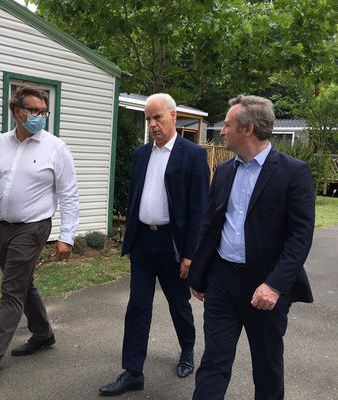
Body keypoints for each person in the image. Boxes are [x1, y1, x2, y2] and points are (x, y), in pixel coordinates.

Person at [188, 95, 315, 400]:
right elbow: (210, 225)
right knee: (214, 362)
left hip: (265, 287)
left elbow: (300, 237)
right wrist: (201, 274)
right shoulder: (224, 171)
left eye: (227, 125)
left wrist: (274, 285)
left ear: (247, 129)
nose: (221, 131)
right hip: (222, 281)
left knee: (266, 366)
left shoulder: (293, 172)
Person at [0, 85, 79, 386]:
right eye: (33, 110)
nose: (38, 116)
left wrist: (67, 236)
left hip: (33, 227)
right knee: (23, 286)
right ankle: (43, 333)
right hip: (2, 228)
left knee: (11, 293)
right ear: (16, 111)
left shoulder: (56, 148)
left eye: (43, 112)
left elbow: (69, 195)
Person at [99, 93, 210, 396]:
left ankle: (187, 350)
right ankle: (133, 371)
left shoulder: (193, 156)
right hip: (144, 244)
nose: (151, 124)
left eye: (157, 117)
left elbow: (199, 209)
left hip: (173, 244)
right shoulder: (141, 154)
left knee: (178, 303)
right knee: (138, 306)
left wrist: (190, 254)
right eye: (148, 118)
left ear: (173, 116)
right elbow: (135, 199)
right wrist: (131, 238)